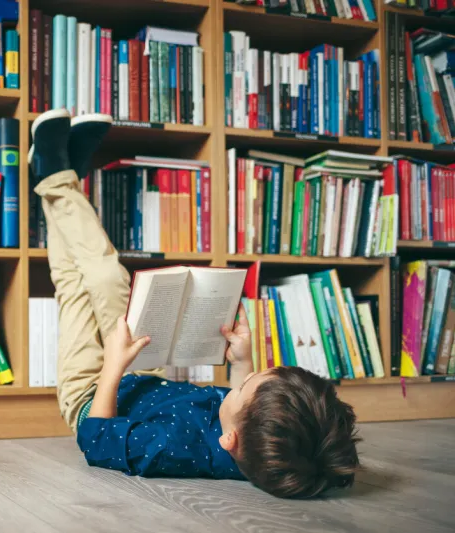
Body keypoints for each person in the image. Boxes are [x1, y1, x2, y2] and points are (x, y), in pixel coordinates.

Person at [29, 109, 361, 499]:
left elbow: (96, 440)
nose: (236, 386)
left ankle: (57, 177)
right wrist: (242, 363)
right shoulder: (259, 440)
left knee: (76, 285)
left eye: (242, 387)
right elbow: (247, 406)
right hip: (141, 370)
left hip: (89, 392)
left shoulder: (169, 449)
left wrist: (113, 365)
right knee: (103, 276)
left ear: (229, 440)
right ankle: (57, 176)